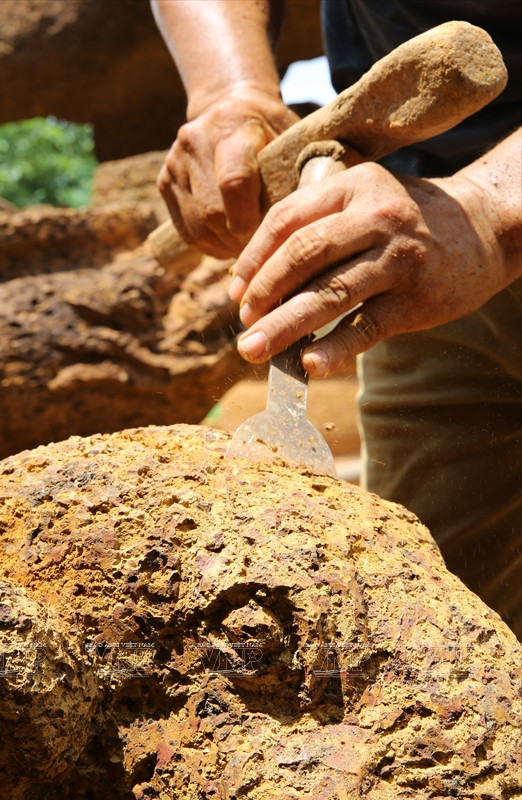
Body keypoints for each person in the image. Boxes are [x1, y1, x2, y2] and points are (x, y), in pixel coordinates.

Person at [150, 0, 522, 639]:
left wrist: (490, 212)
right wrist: (228, 89)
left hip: (463, 216)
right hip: (417, 244)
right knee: (433, 628)